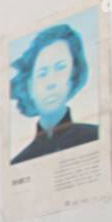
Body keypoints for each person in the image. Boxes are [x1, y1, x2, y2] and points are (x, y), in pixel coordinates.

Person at [8, 23, 99, 165]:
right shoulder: (19, 163)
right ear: (29, 85)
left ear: (73, 75)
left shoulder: (96, 136)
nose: (51, 82)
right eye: (42, 73)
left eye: (60, 68)